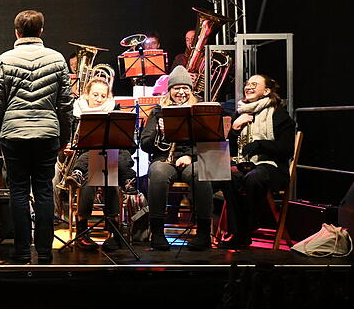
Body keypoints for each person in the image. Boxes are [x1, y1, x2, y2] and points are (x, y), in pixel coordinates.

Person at [0, 10, 72, 263]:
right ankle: (45, 252)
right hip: (47, 133)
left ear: (17, 32)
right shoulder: (57, 59)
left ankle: (23, 251)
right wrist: (64, 138)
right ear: (41, 31)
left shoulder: (4, 60)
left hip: (14, 134)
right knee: (44, 191)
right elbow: (65, 105)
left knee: (18, 192)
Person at [140, 65, 213, 251]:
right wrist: (159, 133)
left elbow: (209, 141)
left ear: (191, 90)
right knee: (157, 172)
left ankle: (203, 233)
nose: (181, 92)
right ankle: (157, 232)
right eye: (176, 88)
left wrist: (190, 156)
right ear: (170, 91)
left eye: (185, 88)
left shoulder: (199, 110)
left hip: (192, 159)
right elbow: (145, 144)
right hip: (165, 158)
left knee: (201, 174)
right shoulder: (158, 111)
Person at [218, 74, 295, 249]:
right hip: (245, 165)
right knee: (226, 175)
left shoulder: (278, 113)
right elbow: (230, 149)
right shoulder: (241, 112)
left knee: (254, 177)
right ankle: (239, 232)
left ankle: (245, 228)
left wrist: (260, 145)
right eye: (247, 84)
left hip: (273, 167)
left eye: (254, 84)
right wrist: (235, 128)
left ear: (266, 91)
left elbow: (286, 149)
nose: (249, 87)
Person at [69, 77, 137, 251]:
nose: (99, 99)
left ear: (109, 97)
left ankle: (105, 232)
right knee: (96, 175)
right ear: (86, 95)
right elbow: (71, 144)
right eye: (95, 95)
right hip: (86, 158)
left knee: (108, 171)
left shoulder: (116, 113)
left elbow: (130, 145)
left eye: (103, 96)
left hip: (112, 159)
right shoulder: (75, 113)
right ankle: (92, 232)